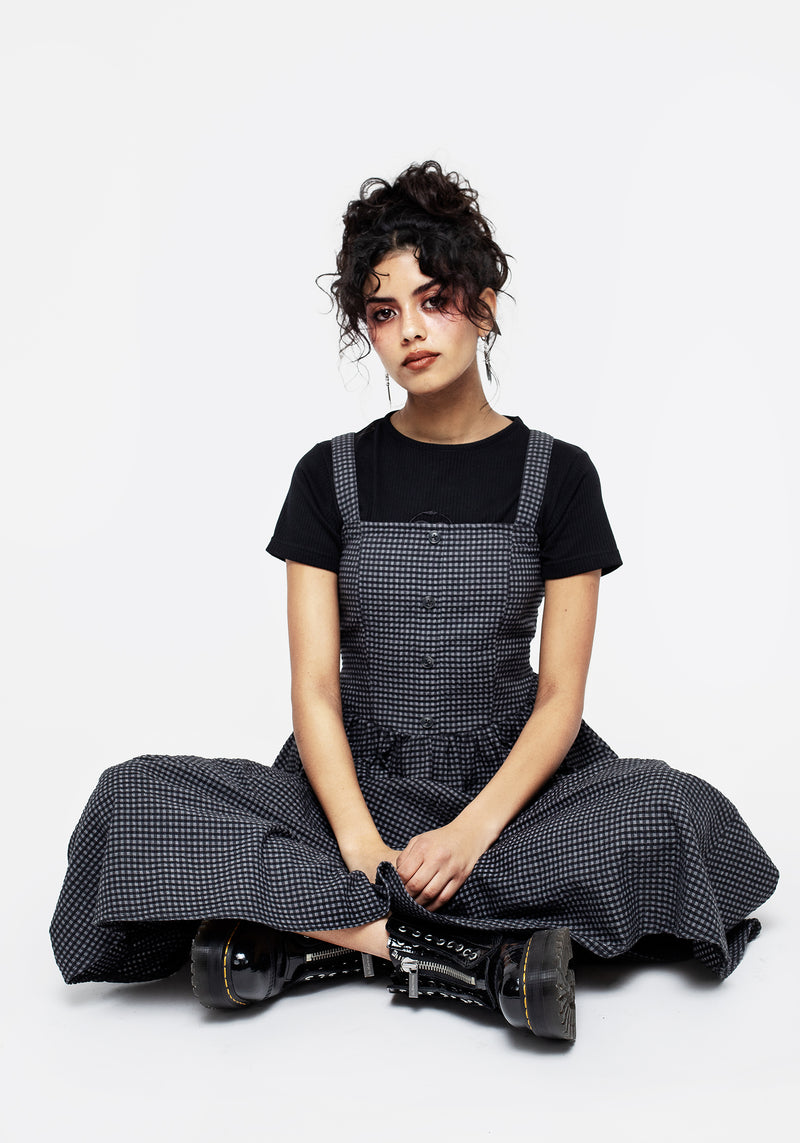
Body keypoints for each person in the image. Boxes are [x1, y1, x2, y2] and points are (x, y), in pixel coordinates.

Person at [50, 160, 778, 1043]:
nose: (411, 331)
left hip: (514, 800)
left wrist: (469, 833)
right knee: (133, 797)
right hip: (348, 792)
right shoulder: (327, 475)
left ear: (485, 305)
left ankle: (310, 938)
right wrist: (359, 842)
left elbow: (560, 698)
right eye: (384, 312)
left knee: (670, 809)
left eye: (434, 300)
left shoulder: (561, 475)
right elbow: (315, 689)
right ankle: (463, 959)